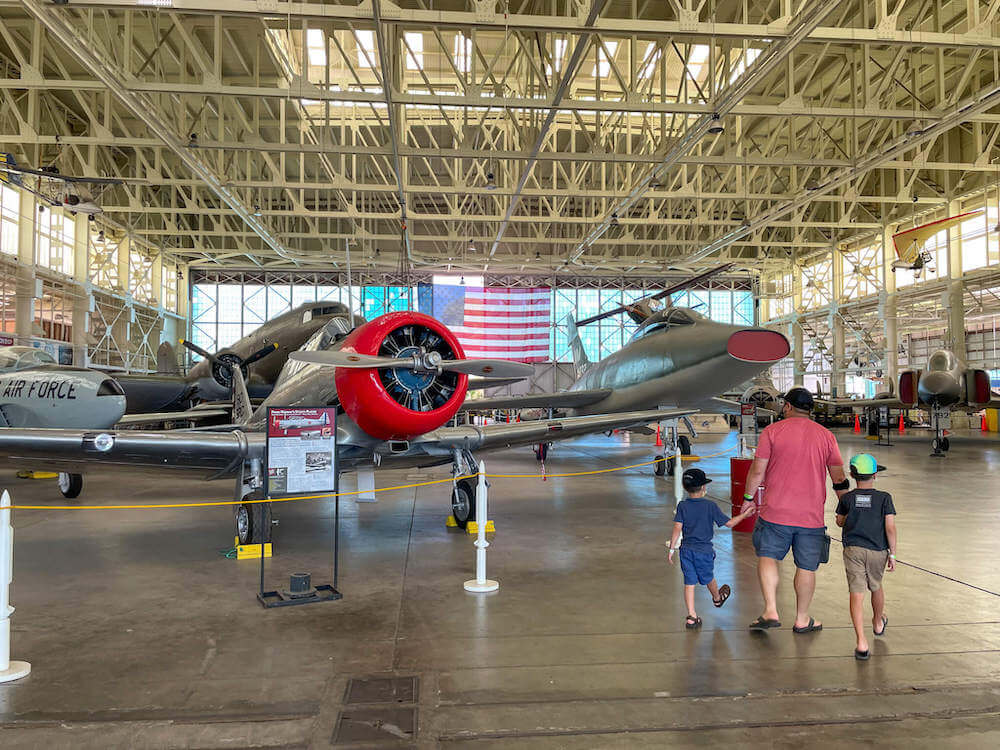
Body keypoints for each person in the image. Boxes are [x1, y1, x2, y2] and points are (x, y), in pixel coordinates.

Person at [740, 387, 849, 633]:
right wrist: (847, 509)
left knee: (768, 557)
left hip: (775, 512)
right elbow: (838, 477)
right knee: (806, 567)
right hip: (810, 516)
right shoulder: (825, 436)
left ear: (787, 406)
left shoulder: (772, 431)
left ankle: (770, 610)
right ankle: (802, 618)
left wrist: (748, 498)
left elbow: (757, 471)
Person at [667, 468, 757, 629]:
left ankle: (692, 616)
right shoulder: (710, 506)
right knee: (708, 578)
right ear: (703, 488)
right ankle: (717, 598)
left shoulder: (682, 506)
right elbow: (729, 523)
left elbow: (677, 528)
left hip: (686, 551)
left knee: (689, 583)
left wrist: (672, 549)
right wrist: (745, 515)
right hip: (704, 552)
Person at [836, 454, 897, 660]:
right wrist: (893, 554)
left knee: (856, 593)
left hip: (853, 550)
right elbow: (890, 527)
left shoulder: (847, 498)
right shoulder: (884, 498)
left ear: (852, 475)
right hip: (878, 550)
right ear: (875, 475)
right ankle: (878, 622)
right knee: (876, 586)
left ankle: (861, 642)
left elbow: (840, 522)